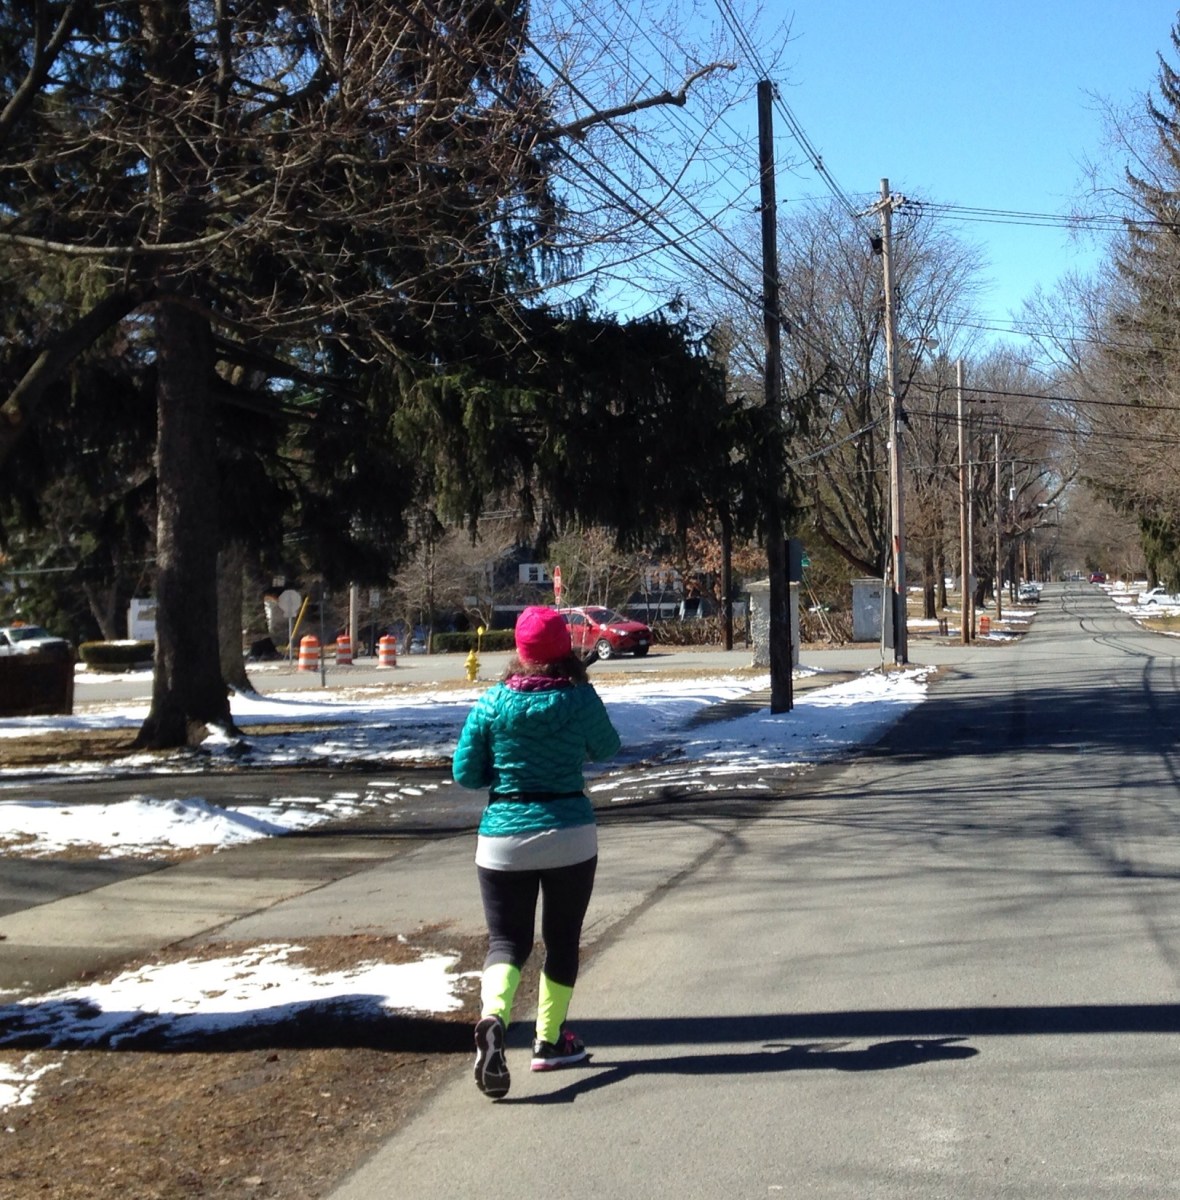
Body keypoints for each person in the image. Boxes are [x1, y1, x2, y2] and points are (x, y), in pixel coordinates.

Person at [452, 605, 622, 1099]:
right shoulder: (579, 698)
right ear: (564, 649)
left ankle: (493, 1018)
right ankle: (549, 1041)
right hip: (569, 831)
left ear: (519, 650)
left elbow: (465, 773)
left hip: (503, 836)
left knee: (506, 942)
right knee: (562, 941)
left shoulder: (491, 703)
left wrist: (505, 769)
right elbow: (608, 748)